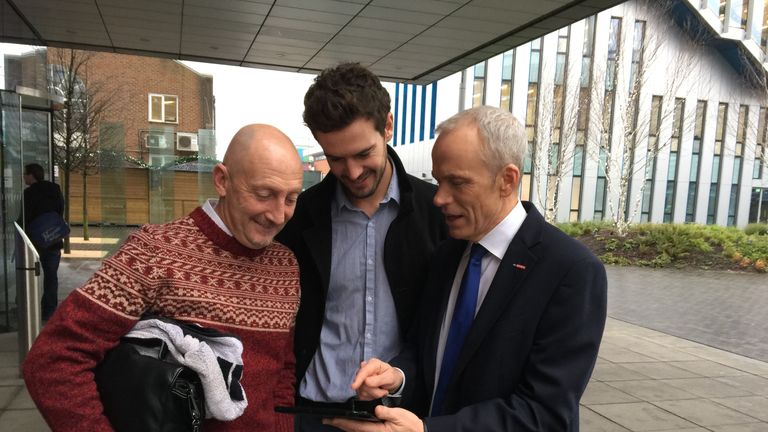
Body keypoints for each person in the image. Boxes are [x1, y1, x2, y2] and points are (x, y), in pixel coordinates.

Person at [326, 106, 607, 432]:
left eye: (457, 183)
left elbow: (544, 413)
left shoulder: (570, 271)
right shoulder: (447, 254)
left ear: (507, 179)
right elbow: (425, 351)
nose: (439, 198)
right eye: (439, 180)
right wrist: (397, 376)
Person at [22, 124, 305, 432]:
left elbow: (282, 370)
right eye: (265, 194)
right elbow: (53, 360)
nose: (279, 215)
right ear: (222, 180)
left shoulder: (285, 265)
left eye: (291, 199)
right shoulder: (155, 252)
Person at [275, 63, 447, 431]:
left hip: (398, 418)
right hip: (312, 414)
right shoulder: (301, 216)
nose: (352, 172)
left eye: (363, 153)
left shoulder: (438, 213)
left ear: (387, 126)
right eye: (336, 158)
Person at [21, 163, 65, 321]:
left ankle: (27, 308)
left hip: (35, 242)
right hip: (53, 239)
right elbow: (61, 209)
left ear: (32, 175)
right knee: (51, 276)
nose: (23, 176)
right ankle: (49, 311)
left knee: (27, 274)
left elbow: (25, 217)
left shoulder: (29, 193)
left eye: (25, 174)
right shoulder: (55, 189)